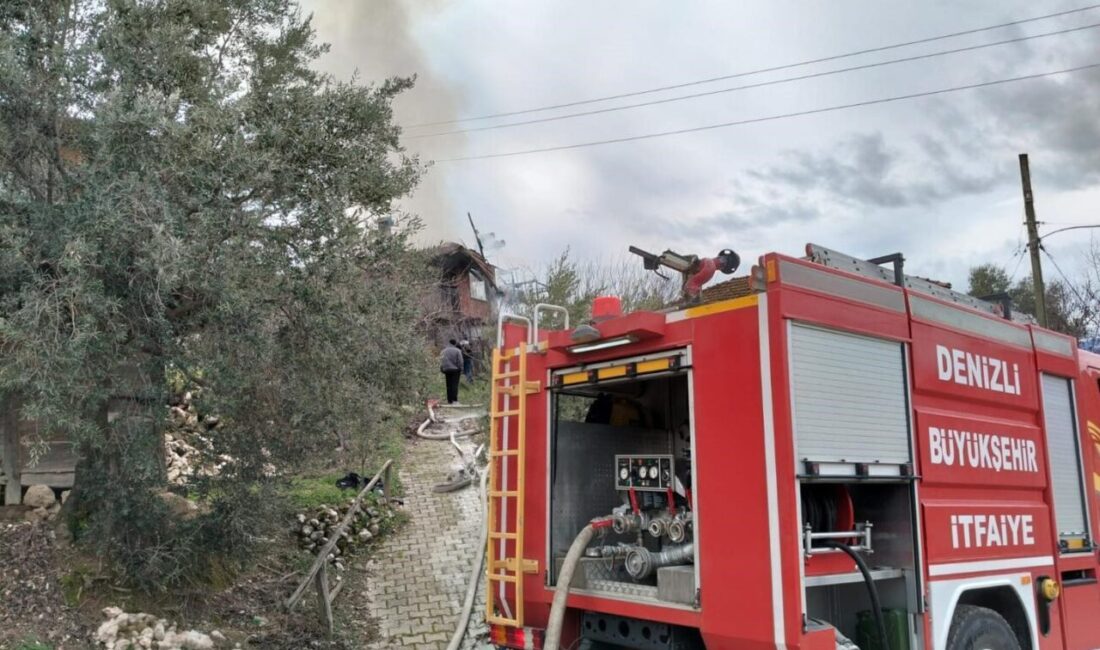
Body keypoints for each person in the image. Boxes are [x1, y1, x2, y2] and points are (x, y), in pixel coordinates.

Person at [440, 339, 464, 404]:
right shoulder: (458, 351)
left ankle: (449, 400)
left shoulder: (443, 351)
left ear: (449, 343)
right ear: (455, 344)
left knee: (448, 385)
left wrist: (442, 368)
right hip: (455, 370)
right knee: (454, 385)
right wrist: (461, 368)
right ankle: (455, 400)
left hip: (446, 369)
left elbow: (441, 360)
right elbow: (460, 361)